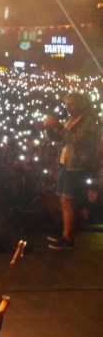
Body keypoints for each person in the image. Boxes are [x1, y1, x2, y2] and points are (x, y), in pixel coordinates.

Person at [44, 92, 100, 250]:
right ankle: (65, 233)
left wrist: (58, 126)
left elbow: (77, 140)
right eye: (67, 104)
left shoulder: (88, 121)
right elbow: (59, 138)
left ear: (82, 104)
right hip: (65, 164)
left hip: (77, 166)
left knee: (67, 200)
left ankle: (68, 238)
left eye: (72, 104)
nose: (68, 108)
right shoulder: (69, 121)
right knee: (63, 200)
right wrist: (48, 128)